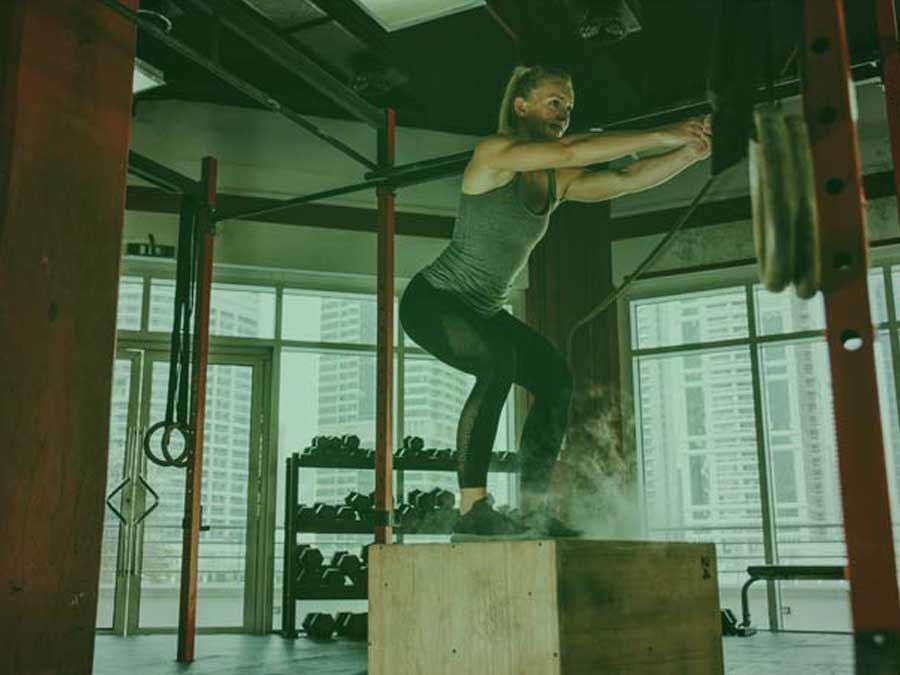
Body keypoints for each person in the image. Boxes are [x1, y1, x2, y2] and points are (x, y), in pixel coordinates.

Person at [399, 65, 711, 541]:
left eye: (568, 105)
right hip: (434, 301)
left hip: (481, 310)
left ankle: (534, 511)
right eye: (553, 102)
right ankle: (472, 507)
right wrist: (665, 132)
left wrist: (689, 152)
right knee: (497, 361)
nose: (563, 114)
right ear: (521, 106)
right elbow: (573, 148)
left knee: (555, 379)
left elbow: (624, 179)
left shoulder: (554, 179)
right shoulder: (495, 154)